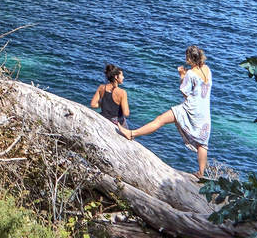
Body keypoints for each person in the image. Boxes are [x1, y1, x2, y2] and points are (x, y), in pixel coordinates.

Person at [118, 46, 212, 179]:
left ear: (190, 58)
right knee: (203, 143)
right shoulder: (207, 70)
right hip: (204, 113)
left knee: (159, 120)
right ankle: (201, 173)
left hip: (189, 110)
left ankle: (131, 133)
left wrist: (182, 76)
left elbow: (185, 93)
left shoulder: (191, 73)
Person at [90, 64, 129, 128]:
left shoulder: (101, 88)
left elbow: (93, 104)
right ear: (116, 77)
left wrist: (105, 104)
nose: (123, 77)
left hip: (104, 120)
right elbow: (126, 113)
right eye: (122, 75)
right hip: (117, 123)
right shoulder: (122, 92)